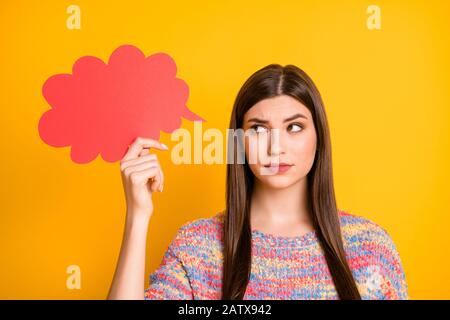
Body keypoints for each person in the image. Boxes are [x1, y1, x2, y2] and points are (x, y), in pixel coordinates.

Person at [107, 64, 408, 300]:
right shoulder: (198, 248)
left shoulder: (370, 248)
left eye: (294, 127)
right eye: (259, 129)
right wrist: (138, 214)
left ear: (319, 137)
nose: (275, 147)